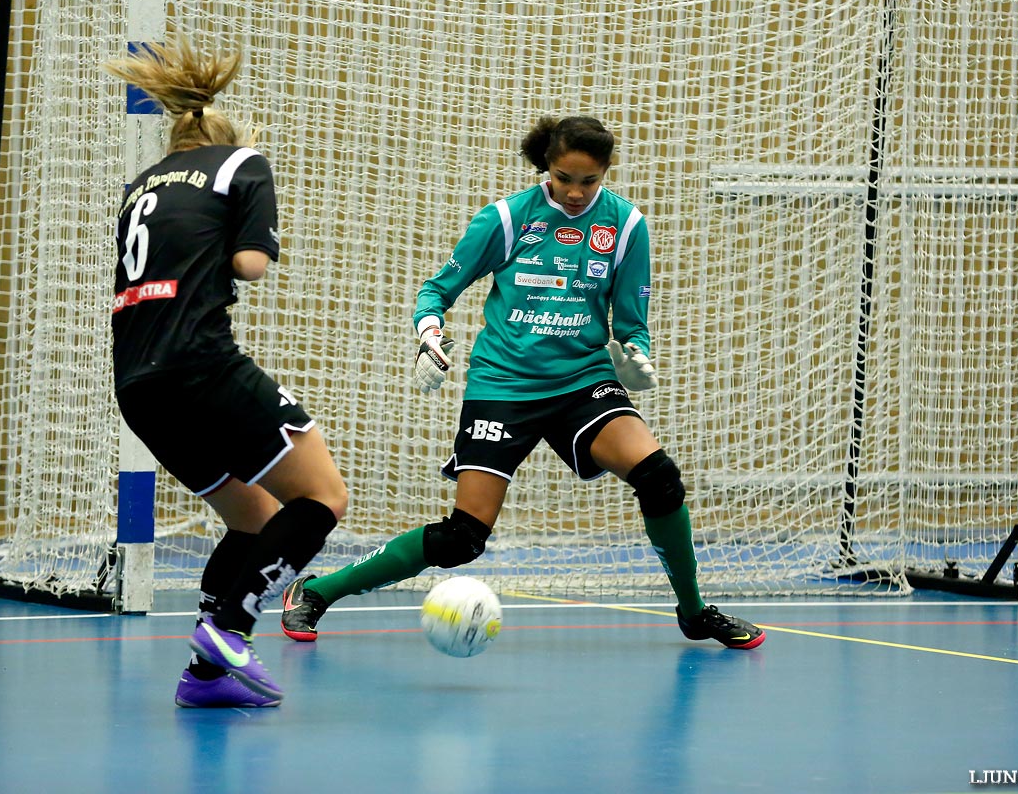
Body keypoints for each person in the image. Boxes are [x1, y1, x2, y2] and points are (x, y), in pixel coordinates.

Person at [281, 114, 765, 651]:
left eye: (589, 181)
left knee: (659, 478)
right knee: (464, 539)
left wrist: (635, 356)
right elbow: (436, 289)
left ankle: (694, 612)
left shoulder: (626, 226)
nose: (576, 192)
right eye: (564, 178)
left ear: (606, 174)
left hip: (583, 381)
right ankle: (318, 591)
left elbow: (631, 322)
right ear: (546, 169)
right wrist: (430, 335)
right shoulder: (507, 219)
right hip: (502, 386)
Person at [105, 41, 348, 709]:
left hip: (138, 383)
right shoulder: (242, 165)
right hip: (202, 365)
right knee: (322, 498)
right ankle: (231, 630)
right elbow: (250, 265)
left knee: (253, 516)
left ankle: (205, 679)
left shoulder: (142, 184)